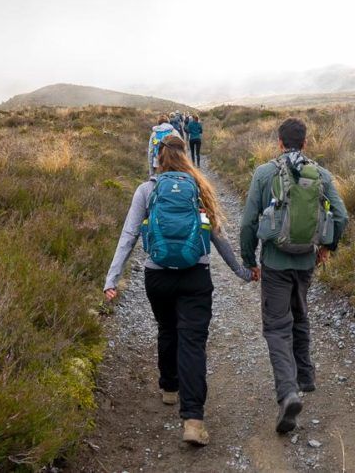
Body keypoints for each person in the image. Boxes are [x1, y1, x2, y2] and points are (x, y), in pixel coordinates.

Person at [104, 134, 254, 446]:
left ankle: (169, 387)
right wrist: (241, 271)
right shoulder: (198, 188)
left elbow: (129, 234)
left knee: (167, 328)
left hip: (157, 277)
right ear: (184, 156)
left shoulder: (147, 189)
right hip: (195, 277)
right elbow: (217, 236)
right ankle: (193, 421)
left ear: (157, 158)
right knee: (193, 343)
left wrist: (112, 278)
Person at [240, 118, 348, 434]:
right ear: (305, 143)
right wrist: (328, 246)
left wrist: (249, 260)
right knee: (299, 314)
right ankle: (306, 376)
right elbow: (341, 215)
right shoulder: (321, 174)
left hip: (274, 261)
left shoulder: (263, 173)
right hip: (305, 262)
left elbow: (247, 223)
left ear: (278, 142)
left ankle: (288, 392)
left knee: (276, 326)